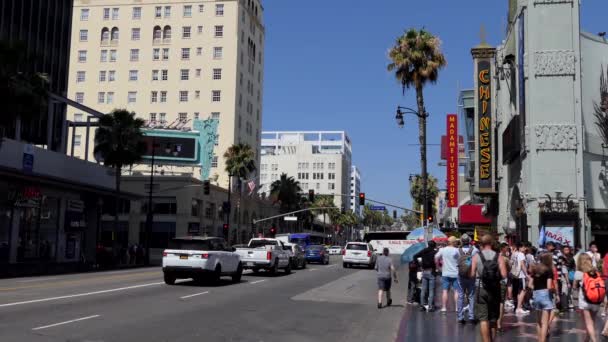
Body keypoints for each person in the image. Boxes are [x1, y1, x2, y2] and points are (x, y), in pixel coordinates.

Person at [470, 235, 508, 342]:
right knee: (493, 319)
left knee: (483, 319)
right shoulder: (498, 256)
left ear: (481, 244)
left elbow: (472, 274)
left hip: (481, 289)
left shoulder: (476, 256)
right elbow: (504, 275)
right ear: (491, 243)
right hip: (495, 289)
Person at [575, 253, 601, 342]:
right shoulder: (596, 272)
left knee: (588, 323)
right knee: (592, 321)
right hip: (596, 299)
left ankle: (594, 340)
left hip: (585, 300)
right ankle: (586, 339)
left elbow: (574, 287)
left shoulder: (579, 273)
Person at [531, 253, 555, 342]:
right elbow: (549, 286)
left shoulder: (535, 270)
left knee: (538, 322)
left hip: (536, 294)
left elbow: (530, 284)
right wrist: (554, 290)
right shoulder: (549, 271)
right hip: (545, 294)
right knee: (545, 323)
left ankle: (539, 340)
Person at [435, 236, 460, 313]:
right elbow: (462, 259)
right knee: (456, 291)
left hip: (445, 273)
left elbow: (436, 257)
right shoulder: (457, 250)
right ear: (454, 242)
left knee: (445, 291)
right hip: (456, 273)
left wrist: (438, 267)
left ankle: (444, 308)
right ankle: (456, 308)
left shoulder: (442, 250)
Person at [457, 233, 477, 324]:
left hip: (460, 275)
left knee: (461, 296)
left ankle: (460, 317)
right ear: (469, 241)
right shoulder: (474, 250)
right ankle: (471, 316)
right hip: (471, 275)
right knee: (471, 296)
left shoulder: (457, 250)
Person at [414, 240, 438, 312]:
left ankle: (422, 306)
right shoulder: (434, 252)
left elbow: (415, 256)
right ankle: (430, 306)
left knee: (423, 289)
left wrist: (418, 265)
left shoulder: (423, 251)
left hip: (424, 271)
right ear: (434, 246)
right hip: (431, 271)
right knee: (431, 290)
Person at [511, 243, 530, 315]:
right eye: (524, 247)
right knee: (523, 290)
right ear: (520, 247)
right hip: (521, 275)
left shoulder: (514, 254)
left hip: (514, 274)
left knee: (518, 291)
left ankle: (518, 307)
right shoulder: (521, 254)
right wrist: (526, 274)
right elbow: (522, 264)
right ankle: (519, 308)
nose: (525, 249)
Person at [497, 242, 511, 333]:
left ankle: (493, 322)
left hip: (492, 281)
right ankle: (499, 324)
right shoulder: (504, 259)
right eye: (506, 248)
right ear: (503, 248)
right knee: (501, 302)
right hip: (502, 281)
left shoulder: (492, 257)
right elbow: (509, 269)